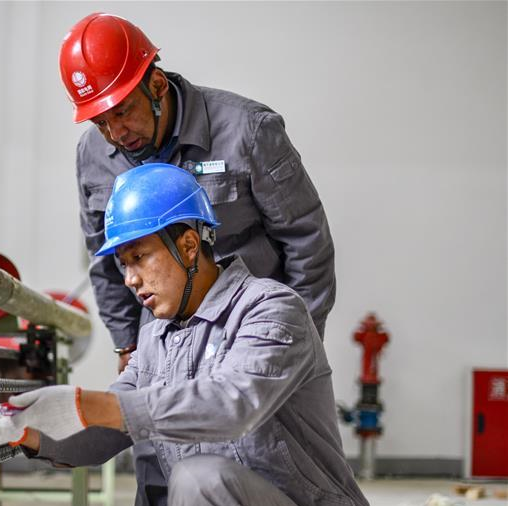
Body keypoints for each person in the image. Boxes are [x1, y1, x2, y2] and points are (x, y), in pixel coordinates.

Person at [0, 164, 367, 506]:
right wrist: (19, 430)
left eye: (140, 257)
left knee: (200, 478)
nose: (130, 278)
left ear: (188, 245)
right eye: (123, 263)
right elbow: (106, 431)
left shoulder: (270, 308)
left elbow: (232, 404)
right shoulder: (155, 338)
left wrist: (88, 404)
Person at [60, 12, 336, 374]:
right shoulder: (93, 155)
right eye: (100, 122)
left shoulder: (248, 132)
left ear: (157, 85)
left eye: (123, 112)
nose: (116, 134)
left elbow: (307, 242)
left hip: (250, 337)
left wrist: (293, 342)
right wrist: (127, 344)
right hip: (163, 348)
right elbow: (104, 260)